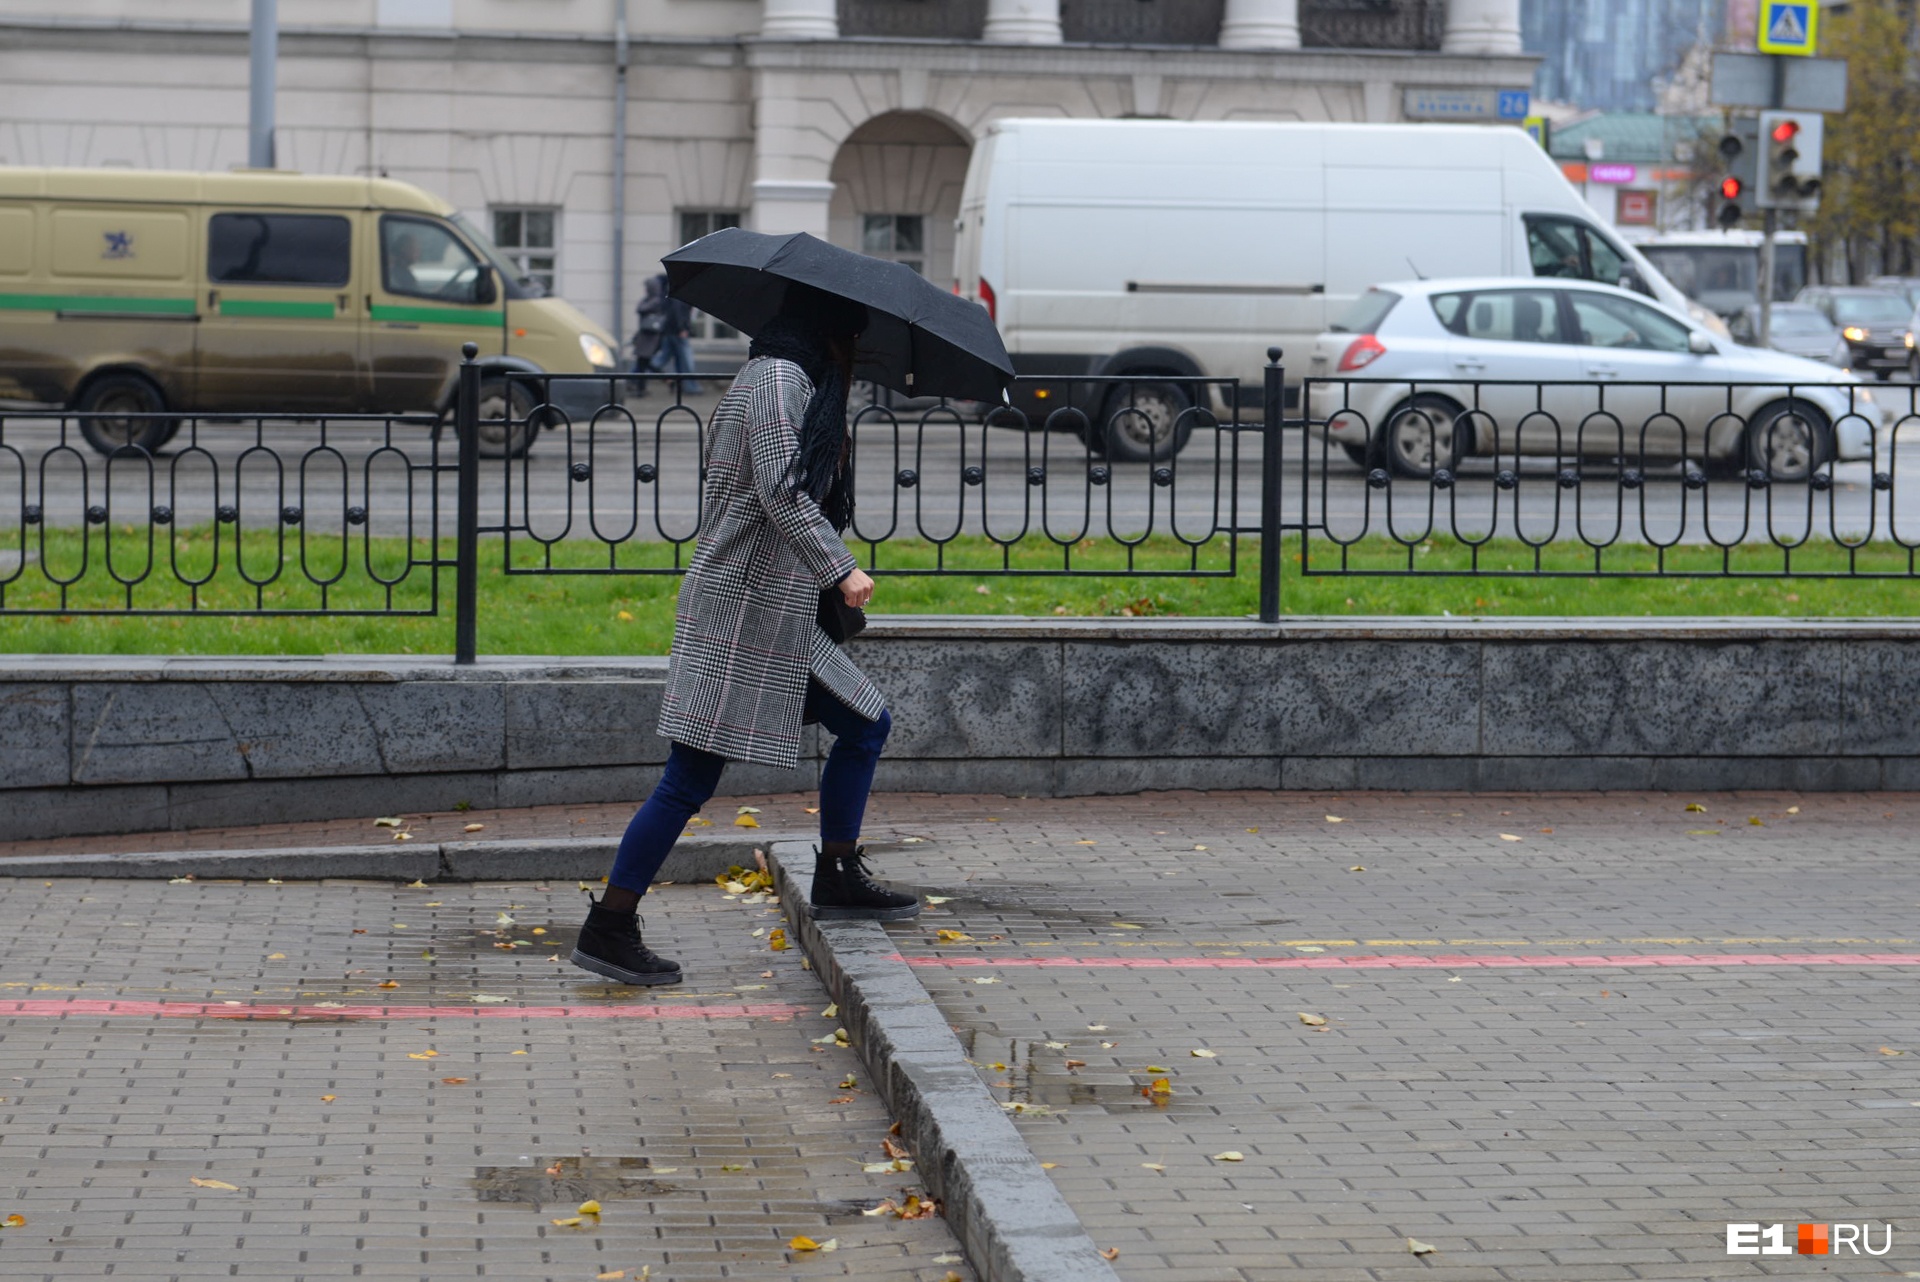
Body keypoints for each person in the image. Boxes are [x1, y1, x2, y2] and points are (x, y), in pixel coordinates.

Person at [571, 282, 918, 986]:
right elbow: (779, 489)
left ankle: (839, 871)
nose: (854, 357)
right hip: (743, 609)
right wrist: (841, 568)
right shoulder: (777, 381)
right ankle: (609, 923)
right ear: (830, 332)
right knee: (688, 779)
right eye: (852, 341)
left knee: (865, 722)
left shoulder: (787, 381)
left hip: (775, 612)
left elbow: (792, 481)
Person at [648, 284, 702, 394]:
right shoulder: (682, 293)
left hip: (670, 330)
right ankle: (690, 387)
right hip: (677, 331)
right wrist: (682, 328)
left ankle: (679, 384)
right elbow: (678, 310)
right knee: (685, 360)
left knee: (673, 358)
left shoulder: (673, 290)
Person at [629, 274, 668, 397]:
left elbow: (641, 309)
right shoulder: (650, 299)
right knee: (644, 363)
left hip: (650, 337)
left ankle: (641, 388)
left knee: (643, 363)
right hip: (644, 336)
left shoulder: (655, 300)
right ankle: (665, 380)